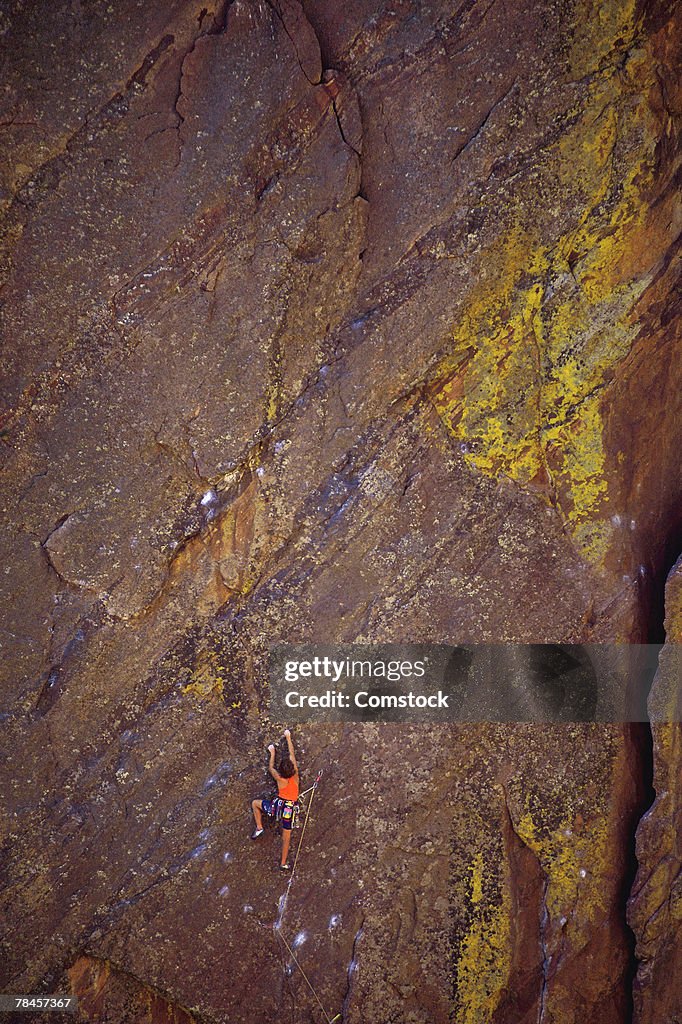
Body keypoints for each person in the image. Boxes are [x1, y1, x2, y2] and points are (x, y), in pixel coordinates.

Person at [251, 728, 300, 870]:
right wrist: (288, 737)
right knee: (286, 838)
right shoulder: (295, 775)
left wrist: (272, 753)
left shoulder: (279, 778)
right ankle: (283, 862)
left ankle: (259, 827)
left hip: (277, 806)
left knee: (255, 804)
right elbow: (292, 753)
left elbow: (270, 767)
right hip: (289, 810)